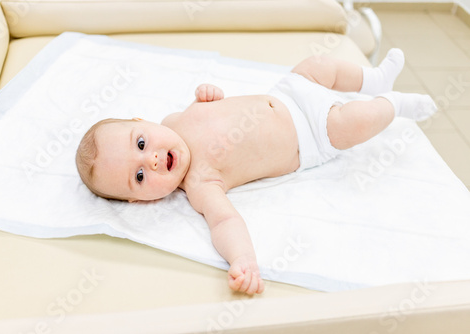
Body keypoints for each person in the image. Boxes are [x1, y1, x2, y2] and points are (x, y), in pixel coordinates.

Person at [76, 49, 437, 295]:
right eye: (139, 177)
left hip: (288, 93)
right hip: (313, 134)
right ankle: (395, 104)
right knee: (356, 122)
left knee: (318, 65)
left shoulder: (174, 120)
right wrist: (242, 260)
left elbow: (212, 110)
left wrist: (208, 96)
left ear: (143, 121)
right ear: (137, 201)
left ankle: (374, 80)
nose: (151, 160)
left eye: (141, 144)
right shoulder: (199, 182)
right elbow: (223, 222)